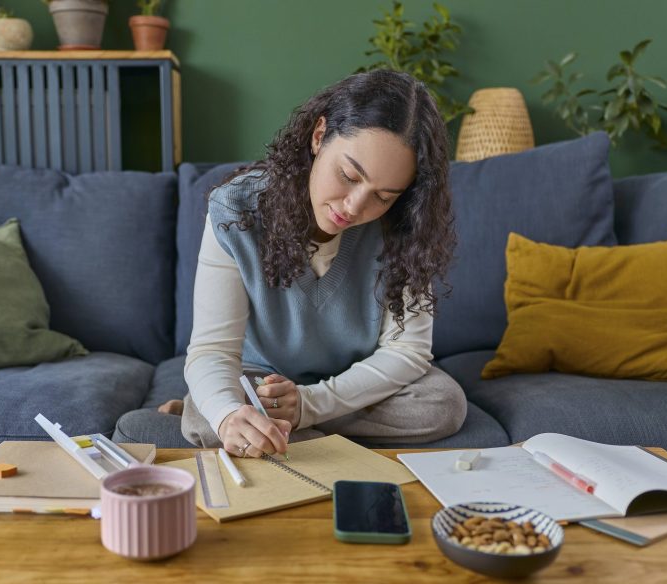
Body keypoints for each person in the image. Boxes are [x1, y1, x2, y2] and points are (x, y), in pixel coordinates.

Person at [113, 70, 467, 456]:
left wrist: (310, 405)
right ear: (319, 136)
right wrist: (229, 413)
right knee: (212, 411)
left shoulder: (406, 223)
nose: (354, 206)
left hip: (356, 380)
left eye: (383, 196)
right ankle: (267, 428)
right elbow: (213, 350)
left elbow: (406, 352)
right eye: (348, 175)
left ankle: (276, 434)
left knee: (442, 403)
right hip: (260, 381)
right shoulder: (236, 211)